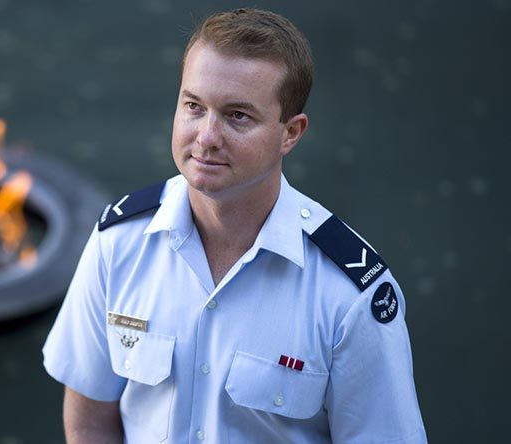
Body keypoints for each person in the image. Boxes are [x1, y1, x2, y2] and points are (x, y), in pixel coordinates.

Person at [42, 8, 426, 444]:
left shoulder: (350, 295)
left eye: (237, 115)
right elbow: (90, 422)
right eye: (193, 106)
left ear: (291, 133)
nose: (206, 136)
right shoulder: (119, 243)